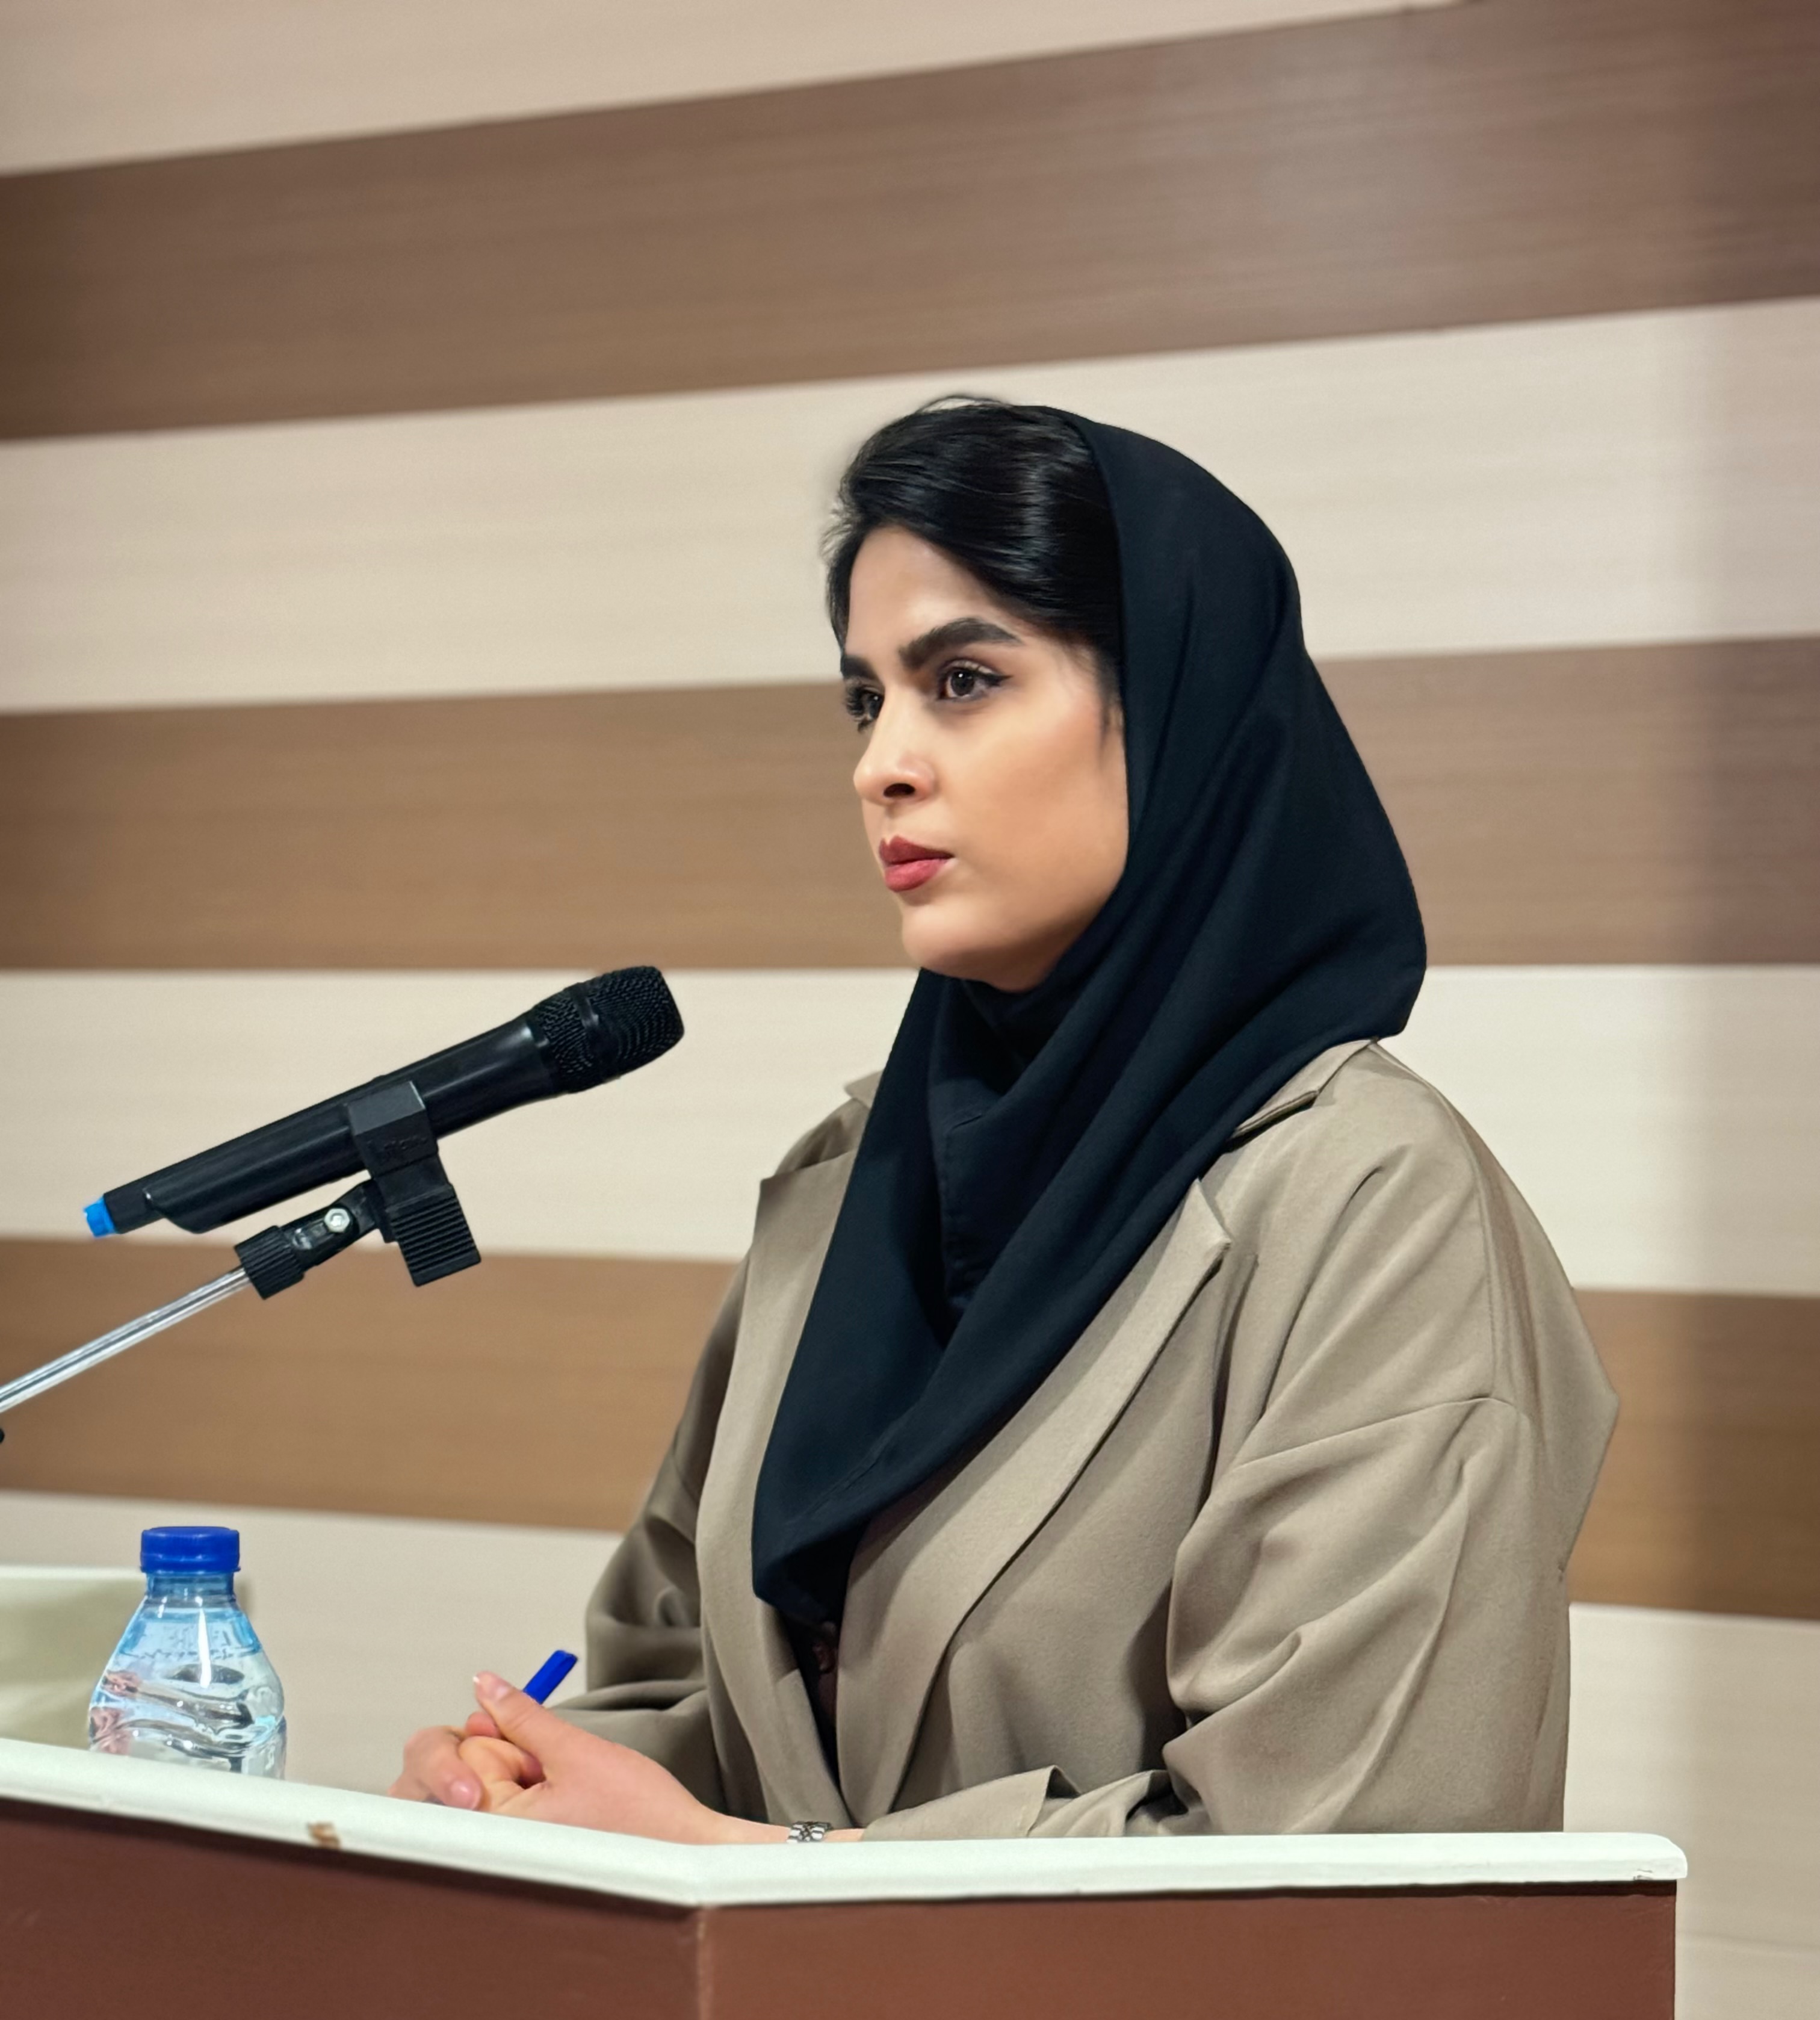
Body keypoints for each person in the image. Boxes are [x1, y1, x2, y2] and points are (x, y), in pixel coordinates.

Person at [390, 398, 1615, 1842]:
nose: (881, 765)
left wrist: (773, 1870)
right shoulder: (848, 1182)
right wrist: (531, 1782)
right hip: (771, 2002)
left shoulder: (1372, 1204)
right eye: (868, 701)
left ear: (1172, 708)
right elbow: (694, 1688)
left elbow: (1342, 1869)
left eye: (963, 680)